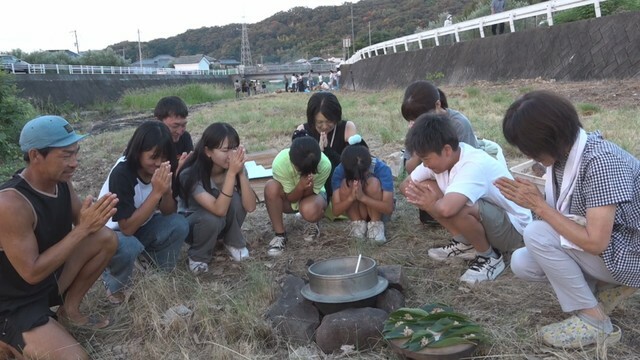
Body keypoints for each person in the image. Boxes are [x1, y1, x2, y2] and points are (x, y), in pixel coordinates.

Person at [495, 91, 640, 348]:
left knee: (537, 234)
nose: (526, 152)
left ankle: (595, 321)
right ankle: (603, 289)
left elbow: (595, 243)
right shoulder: (565, 157)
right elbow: (571, 216)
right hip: (616, 245)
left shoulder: (601, 162)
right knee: (523, 262)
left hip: (631, 252)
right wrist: (535, 201)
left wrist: (538, 205)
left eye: (528, 146)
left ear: (552, 137)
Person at [0, 115, 119, 359]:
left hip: (45, 283)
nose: (74, 163)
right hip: (13, 302)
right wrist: (83, 228)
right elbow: (31, 272)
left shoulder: (60, 182)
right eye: (66, 155)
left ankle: (69, 311)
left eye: (76, 153)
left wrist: (95, 215)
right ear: (35, 156)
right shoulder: (11, 203)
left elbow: (82, 221)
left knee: (105, 238)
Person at [401, 113, 531, 284]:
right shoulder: (442, 160)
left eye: (426, 159)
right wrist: (427, 198)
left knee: (457, 206)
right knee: (428, 189)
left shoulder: (472, 164)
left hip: (512, 229)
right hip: (491, 219)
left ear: (447, 150)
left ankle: (490, 257)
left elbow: (447, 209)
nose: (424, 165)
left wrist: (431, 203)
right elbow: (406, 186)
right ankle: (467, 243)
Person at [99, 121, 189, 303]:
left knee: (179, 224)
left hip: (142, 225)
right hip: (112, 233)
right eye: (152, 157)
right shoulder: (122, 173)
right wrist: (156, 193)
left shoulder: (164, 167)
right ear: (138, 152)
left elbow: (168, 212)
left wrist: (166, 191)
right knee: (129, 245)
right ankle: (114, 284)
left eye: (163, 157)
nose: (158, 163)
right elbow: (127, 229)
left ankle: (157, 271)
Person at [178, 123, 257, 274]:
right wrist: (232, 174)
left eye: (234, 148)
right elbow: (219, 210)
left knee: (235, 198)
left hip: (220, 223)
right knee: (211, 217)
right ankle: (198, 256)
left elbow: (250, 206)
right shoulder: (190, 174)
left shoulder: (234, 167)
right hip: (194, 226)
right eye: (225, 150)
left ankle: (232, 241)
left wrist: (240, 173)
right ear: (208, 151)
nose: (231, 154)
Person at [401, 80, 480, 226]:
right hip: (436, 175)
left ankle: (454, 218)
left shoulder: (459, 124)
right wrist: (420, 142)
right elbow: (410, 170)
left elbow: (469, 168)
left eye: (420, 119)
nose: (417, 122)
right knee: (413, 186)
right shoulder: (418, 128)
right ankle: (443, 218)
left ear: (438, 105)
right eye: (413, 120)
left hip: (459, 179)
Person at [264, 134, 331, 256]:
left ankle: (313, 222)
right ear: (291, 160)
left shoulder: (325, 164)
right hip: (289, 197)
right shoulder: (281, 162)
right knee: (271, 187)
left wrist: (309, 188)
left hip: (312, 197)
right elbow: (290, 197)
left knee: (309, 209)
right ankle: (280, 235)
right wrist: (300, 186)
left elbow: (309, 196)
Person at [296, 92, 358, 207]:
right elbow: (299, 168)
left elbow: (354, 165)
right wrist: (317, 155)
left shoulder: (347, 128)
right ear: (312, 119)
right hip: (315, 188)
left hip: (342, 187)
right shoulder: (303, 131)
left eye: (329, 121)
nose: (324, 126)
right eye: (319, 122)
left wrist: (328, 151)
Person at [331, 135, 394, 244]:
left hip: (379, 211)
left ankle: (376, 225)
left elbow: (388, 208)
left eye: (361, 173)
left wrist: (363, 197)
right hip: (357, 209)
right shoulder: (340, 170)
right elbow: (336, 211)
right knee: (346, 183)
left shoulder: (382, 168)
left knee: (373, 183)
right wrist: (351, 198)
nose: (358, 177)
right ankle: (357, 224)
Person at [154, 95, 193, 172]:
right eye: (175, 126)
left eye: (183, 125)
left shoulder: (185, 137)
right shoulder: (150, 141)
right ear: (158, 121)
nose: (179, 131)